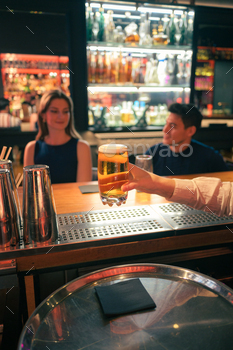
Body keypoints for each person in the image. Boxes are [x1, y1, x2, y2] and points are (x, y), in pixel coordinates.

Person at [24, 89, 92, 184]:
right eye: (54, 111)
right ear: (43, 115)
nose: (61, 116)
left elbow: (82, 190)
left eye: (65, 111)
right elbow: (31, 191)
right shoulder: (31, 148)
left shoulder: (82, 147)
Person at [145, 103, 228, 175]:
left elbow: (227, 184)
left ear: (190, 131)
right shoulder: (153, 154)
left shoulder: (210, 157)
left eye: (172, 126)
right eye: (166, 124)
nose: (165, 130)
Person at [121, 164, 232, 217]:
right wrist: (156, 184)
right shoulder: (156, 150)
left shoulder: (209, 155)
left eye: (173, 126)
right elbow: (226, 197)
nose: (165, 129)